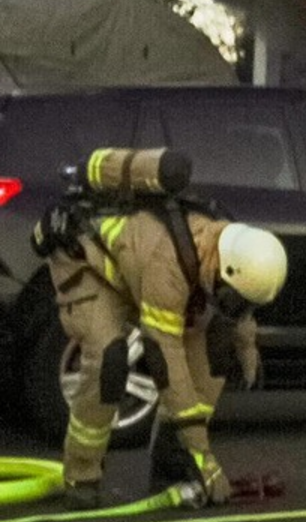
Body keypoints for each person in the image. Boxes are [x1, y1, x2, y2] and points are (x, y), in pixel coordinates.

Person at [38, 201, 287, 509]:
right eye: (231, 297)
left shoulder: (228, 249)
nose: (233, 305)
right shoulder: (169, 260)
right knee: (109, 359)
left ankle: (171, 454)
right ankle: (82, 474)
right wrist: (204, 458)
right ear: (224, 268)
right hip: (93, 268)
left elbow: (240, 310)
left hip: (144, 279)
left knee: (214, 349)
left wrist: (247, 351)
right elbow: (165, 358)